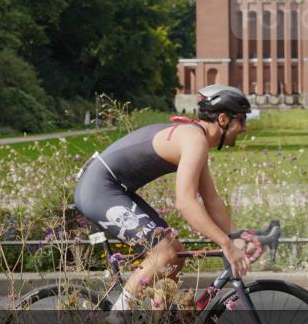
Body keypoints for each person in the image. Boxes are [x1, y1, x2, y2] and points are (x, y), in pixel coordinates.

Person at [73, 84, 257, 312]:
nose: (244, 128)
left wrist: (237, 236)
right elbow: (185, 202)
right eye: (242, 120)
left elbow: (211, 199)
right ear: (222, 118)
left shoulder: (194, 136)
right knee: (166, 252)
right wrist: (226, 243)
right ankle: (116, 320)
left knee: (175, 255)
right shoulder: (195, 140)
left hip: (110, 188)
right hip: (99, 189)